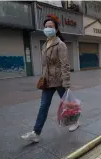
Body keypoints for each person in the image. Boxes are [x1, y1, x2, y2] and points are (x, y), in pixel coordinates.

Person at [21, 15, 79, 143]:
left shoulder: (61, 45)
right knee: (43, 106)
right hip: (48, 81)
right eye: (46, 27)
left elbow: (65, 64)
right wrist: (43, 77)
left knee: (68, 103)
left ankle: (75, 121)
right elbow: (45, 65)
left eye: (50, 27)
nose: (48, 29)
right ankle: (36, 133)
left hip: (59, 81)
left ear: (56, 29)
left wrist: (66, 82)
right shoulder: (45, 44)